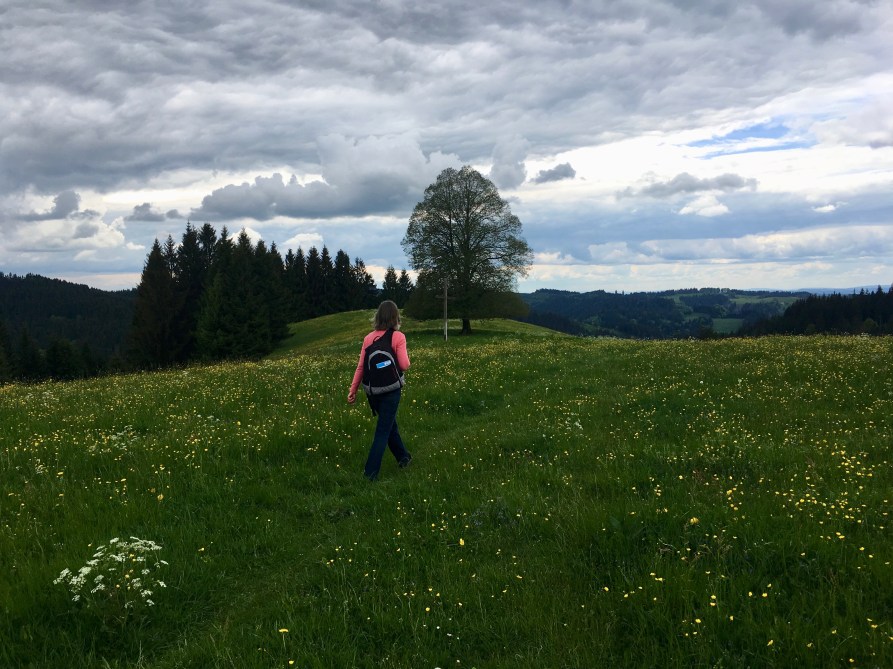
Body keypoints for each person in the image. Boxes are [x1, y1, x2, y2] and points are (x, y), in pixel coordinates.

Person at [348, 300, 412, 480]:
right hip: (391, 390)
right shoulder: (398, 337)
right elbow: (404, 365)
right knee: (383, 430)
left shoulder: (368, 338)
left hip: (373, 392)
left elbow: (361, 367)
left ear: (378, 317)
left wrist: (353, 390)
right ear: (395, 317)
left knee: (389, 425)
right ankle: (370, 473)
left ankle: (403, 458)